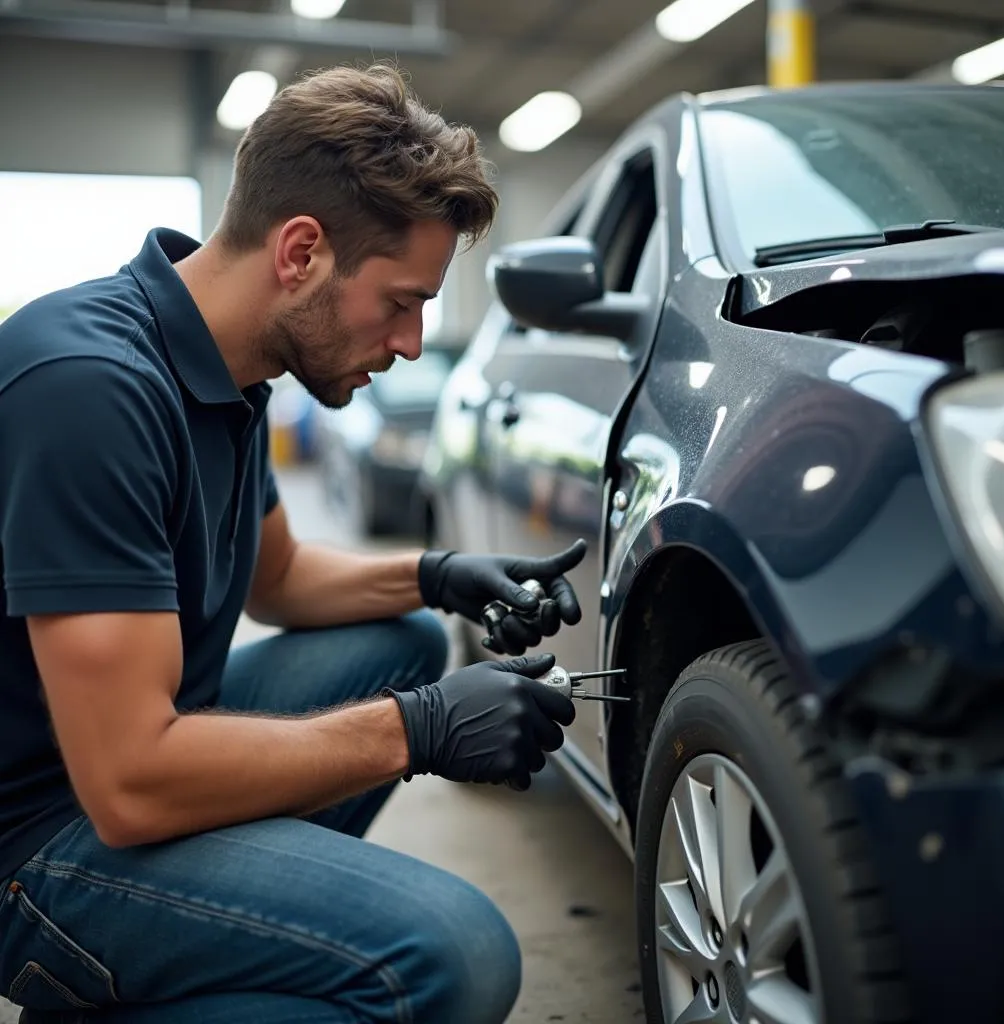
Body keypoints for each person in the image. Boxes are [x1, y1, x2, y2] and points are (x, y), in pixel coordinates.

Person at [0, 62, 589, 1023]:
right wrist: (420, 729)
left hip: (124, 763)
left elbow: (281, 579)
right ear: (301, 252)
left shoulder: (235, 372)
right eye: (400, 301)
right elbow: (132, 783)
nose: (411, 343)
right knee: (454, 953)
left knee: (400, 643)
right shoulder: (89, 387)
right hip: (36, 842)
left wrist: (442, 576)